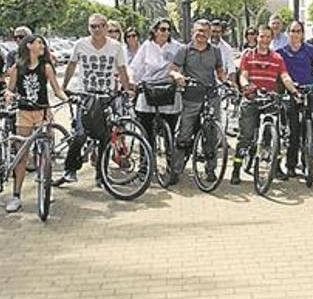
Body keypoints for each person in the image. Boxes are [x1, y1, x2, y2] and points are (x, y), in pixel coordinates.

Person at [56, 14, 132, 186]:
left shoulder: (116, 46)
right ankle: (70, 170)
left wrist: (126, 90)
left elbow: (121, 69)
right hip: (86, 95)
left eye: (100, 26)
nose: (96, 29)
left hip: (107, 97)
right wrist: (64, 87)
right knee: (80, 134)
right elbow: (72, 65)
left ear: (106, 27)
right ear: (88, 28)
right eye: (93, 26)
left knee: (105, 137)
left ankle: (101, 175)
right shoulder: (81, 44)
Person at [3, 35, 67, 212]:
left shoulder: (46, 67)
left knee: (45, 153)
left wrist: (67, 99)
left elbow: (57, 88)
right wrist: (9, 95)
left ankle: (46, 188)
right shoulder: (18, 67)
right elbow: (10, 89)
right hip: (24, 113)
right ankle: (16, 195)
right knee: (22, 155)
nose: (42, 46)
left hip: (43, 112)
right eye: (39, 43)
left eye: (43, 43)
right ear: (29, 46)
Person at [232, 25, 300, 185]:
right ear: (257, 37)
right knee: (246, 136)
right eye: (262, 36)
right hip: (252, 98)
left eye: (268, 37)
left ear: (271, 38)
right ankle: (236, 168)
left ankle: (275, 168)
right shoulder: (248, 55)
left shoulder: (277, 58)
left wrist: (294, 91)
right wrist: (246, 86)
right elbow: (243, 75)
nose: (264, 40)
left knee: (273, 135)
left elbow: (285, 76)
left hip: (270, 99)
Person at [169, 19, 227, 185]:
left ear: (210, 33)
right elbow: (172, 69)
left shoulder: (215, 51)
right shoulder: (184, 50)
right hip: (191, 97)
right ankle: (176, 169)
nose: (201, 34)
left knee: (211, 134)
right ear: (193, 32)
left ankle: (211, 170)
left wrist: (226, 81)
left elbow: (219, 70)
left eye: (205, 31)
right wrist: (177, 76)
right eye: (199, 31)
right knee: (184, 134)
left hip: (211, 95)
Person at [278, 20, 313, 179]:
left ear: (303, 33)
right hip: (292, 93)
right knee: (294, 131)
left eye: (298, 31)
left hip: (310, 90)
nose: (295, 34)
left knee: (309, 128)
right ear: (288, 33)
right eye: (292, 31)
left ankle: (308, 162)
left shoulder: (310, 50)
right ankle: (291, 164)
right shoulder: (282, 52)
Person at [130, 18, 184, 168]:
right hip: (148, 92)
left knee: (169, 134)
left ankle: (170, 166)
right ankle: (145, 166)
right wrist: (131, 82)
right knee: (146, 133)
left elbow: (184, 65)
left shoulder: (177, 47)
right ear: (154, 30)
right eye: (162, 29)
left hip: (169, 92)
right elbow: (135, 68)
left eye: (168, 29)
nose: (165, 32)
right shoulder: (146, 47)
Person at [210, 19, 237, 84]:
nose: (215, 34)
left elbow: (231, 69)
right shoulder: (203, 45)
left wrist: (232, 84)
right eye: (213, 31)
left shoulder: (227, 48)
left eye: (218, 32)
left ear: (222, 33)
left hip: (221, 83)